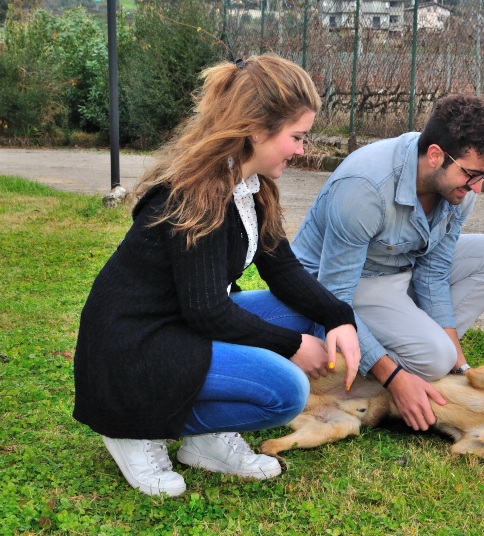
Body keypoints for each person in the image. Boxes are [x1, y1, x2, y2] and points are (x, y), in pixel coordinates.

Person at [73, 54, 361, 497]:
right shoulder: (196, 194)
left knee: (301, 309)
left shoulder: (251, 187)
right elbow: (208, 310)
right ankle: (133, 428)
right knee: (286, 391)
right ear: (257, 131)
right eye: (297, 137)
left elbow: (281, 268)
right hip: (133, 348)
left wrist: (340, 316)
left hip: (179, 327)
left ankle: (203, 441)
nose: (302, 150)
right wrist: (292, 346)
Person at [291, 93, 484, 433]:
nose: (478, 188)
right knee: (434, 359)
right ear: (434, 156)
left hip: (400, 269)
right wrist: (396, 378)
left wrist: (461, 367)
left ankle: (420, 353)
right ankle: (390, 367)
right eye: (472, 174)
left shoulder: (458, 190)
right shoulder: (365, 188)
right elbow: (334, 296)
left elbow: (434, 271)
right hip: (345, 282)